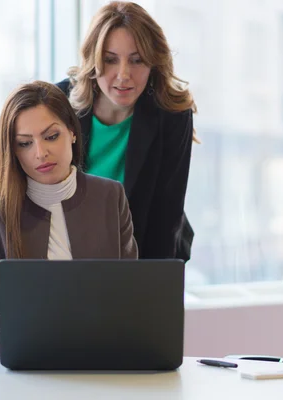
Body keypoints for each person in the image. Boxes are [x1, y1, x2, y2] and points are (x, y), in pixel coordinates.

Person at [0, 81, 138, 357]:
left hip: (95, 364)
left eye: (51, 136)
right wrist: (47, 353)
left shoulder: (110, 196)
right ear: (13, 150)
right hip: (10, 367)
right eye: (25, 143)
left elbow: (128, 297)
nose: (40, 153)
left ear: (72, 132)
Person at [56, 1, 196, 261]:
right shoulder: (59, 102)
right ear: (93, 60)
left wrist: (151, 289)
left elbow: (167, 213)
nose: (123, 75)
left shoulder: (173, 113)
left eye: (137, 60)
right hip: (69, 253)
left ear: (153, 63)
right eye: (110, 60)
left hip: (146, 249)